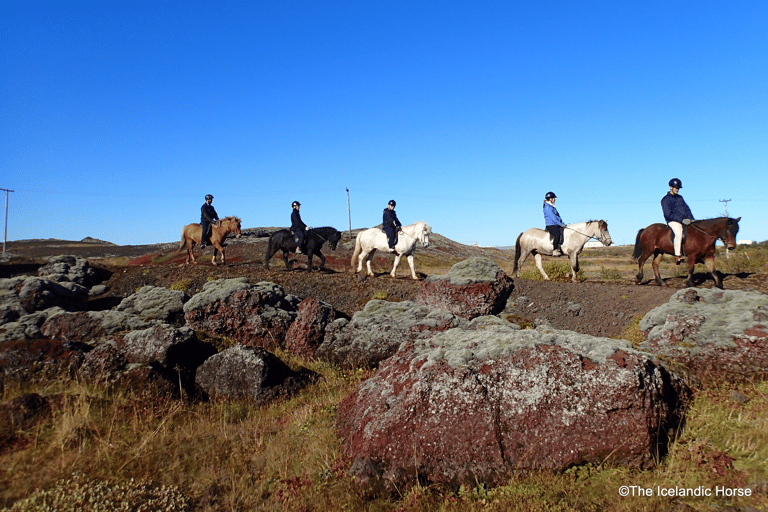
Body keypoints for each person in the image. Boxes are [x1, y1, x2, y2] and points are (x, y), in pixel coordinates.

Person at [661, 178, 694, 264]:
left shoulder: (680, 198)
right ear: (670, 187)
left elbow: (687, 209)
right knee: (679, 233)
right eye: (676, 188)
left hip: (684, 220)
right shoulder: (665, 199)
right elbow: (668, 214)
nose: (677, 189)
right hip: (673, 221)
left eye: (678, 188)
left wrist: (692, 219)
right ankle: (677, 256)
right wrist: (681, 220)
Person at [543, 191, 565, 256]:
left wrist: (562, 223)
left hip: (556, 224)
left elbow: (558, 216)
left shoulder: (552, 206)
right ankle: (555, 250)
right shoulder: (547, 207)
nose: (555, 199)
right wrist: (560, 224)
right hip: (551, 224)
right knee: (557, 234)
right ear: (551, 199)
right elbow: (553, 217)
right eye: (554, 198)